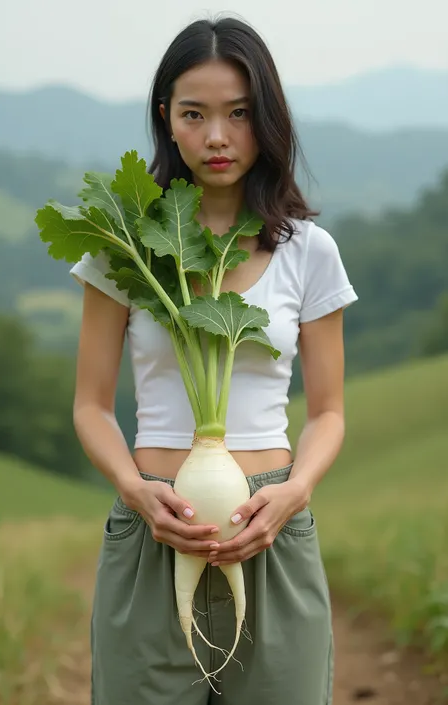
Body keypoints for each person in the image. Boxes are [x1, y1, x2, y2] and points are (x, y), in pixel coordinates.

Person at [69, 14, 358, 705]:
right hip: (152, 527)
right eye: (195, 114)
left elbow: (328, 412)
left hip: (272, 529)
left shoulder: (308, 252)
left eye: (239, 113)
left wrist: (294, 492)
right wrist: (137, 492)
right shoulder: (127, 249)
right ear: (167, 119)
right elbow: (89, 404)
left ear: (268, 119)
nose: (218, 137)